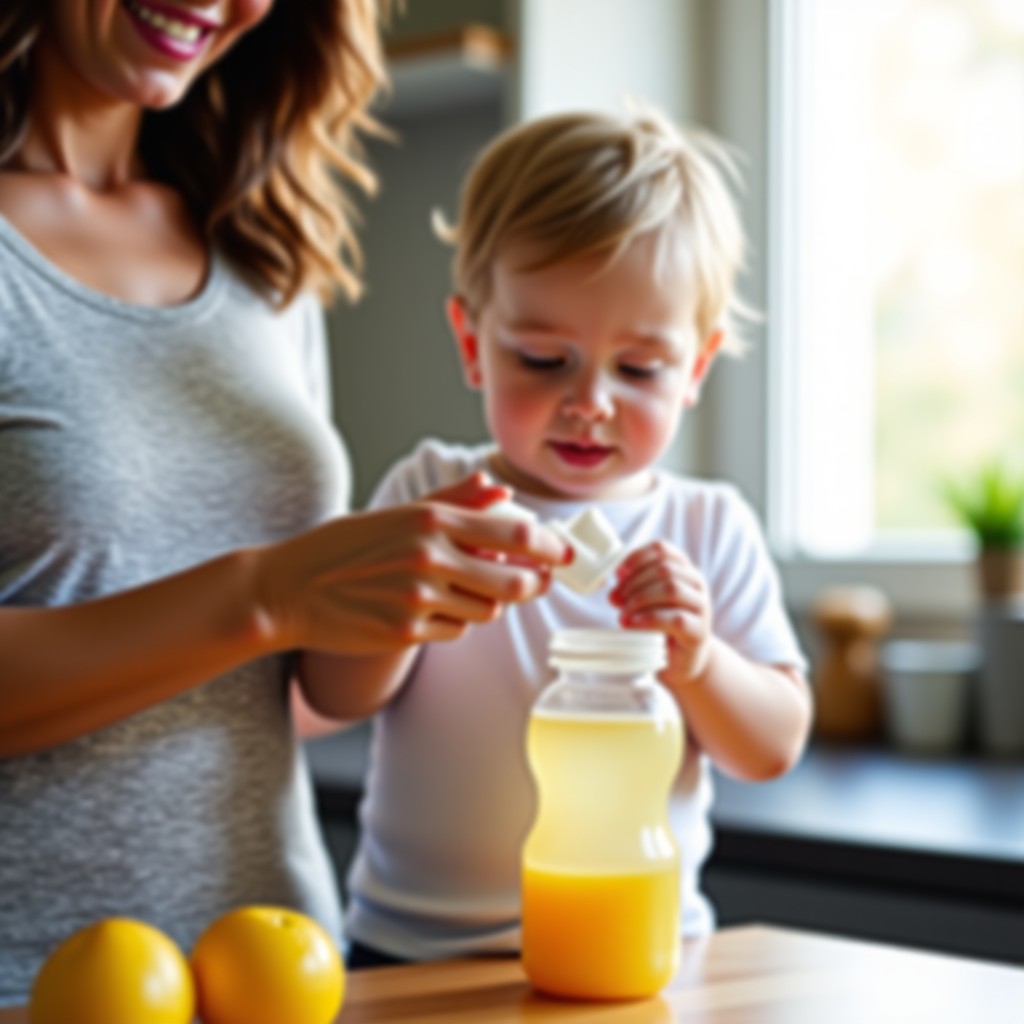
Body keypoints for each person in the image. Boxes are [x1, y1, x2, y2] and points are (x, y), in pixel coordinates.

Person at [0, 0, 570, 1004]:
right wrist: (269, 595)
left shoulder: (262, 256)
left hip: (280, 974)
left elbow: (281, 696)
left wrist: (410, 600)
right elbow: (255, 611)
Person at [330, 108, 814, 968]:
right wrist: (408, 605)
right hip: (417, 947)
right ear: (473, 344)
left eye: (638, 369)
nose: (590, 402)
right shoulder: (428, 494)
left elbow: (772, 746)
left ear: (695, 369)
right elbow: (336, 694)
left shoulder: (706, 528)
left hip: (638, 950)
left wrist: (700, 664)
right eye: (544, 359)